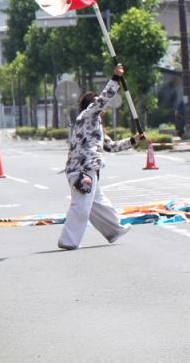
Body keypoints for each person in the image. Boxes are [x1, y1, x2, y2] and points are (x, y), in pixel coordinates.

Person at [58, 64, 146, 250]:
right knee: (81, 205)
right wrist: (115, 79)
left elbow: (111, 146)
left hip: (90, 168)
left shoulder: (94, 126)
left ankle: (115, 229)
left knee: (99, 203)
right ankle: (68, 240)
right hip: (82, 169)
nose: (103, 111)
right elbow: (102, 100)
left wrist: (133, 140)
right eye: (100, 108)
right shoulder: (87, 116)